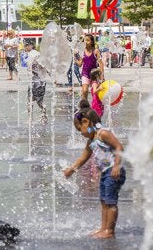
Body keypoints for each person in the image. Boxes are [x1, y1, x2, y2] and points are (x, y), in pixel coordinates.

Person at [63, 105, 126, 239]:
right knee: (104, 201)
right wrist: (71, 169)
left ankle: (110, 231)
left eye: (80, 129)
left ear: (86, 122)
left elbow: (119, 146)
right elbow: (84, 157)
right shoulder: (92, 140)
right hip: (105, 173)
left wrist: (116, 166)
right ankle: (103, 228)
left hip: (114, 172)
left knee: (111, 202)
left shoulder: (103, 133)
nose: (81, 133)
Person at [24, 41, 48, 123]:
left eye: (27, 45)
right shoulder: (28, 54)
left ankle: (44, 116)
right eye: (25, 45)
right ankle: (30, 118)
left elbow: (44, 65)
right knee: (29, 100)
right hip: (32, 81)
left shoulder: (36, 54)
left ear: (31, 45)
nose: (25, 46)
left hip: (39, 82)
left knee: (39, 101)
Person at [75, 33, 103, 100]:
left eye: (87, 40)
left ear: (92, 42)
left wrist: (101, 76)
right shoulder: (82, 51)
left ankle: (96, 107)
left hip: (94, 74)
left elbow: (101, 63)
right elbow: (80, 64)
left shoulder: (95, 51)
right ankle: (85, 107)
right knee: (84, 91)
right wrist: (75, 58)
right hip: (85, 74)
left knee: (95, 93)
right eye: (84, 40)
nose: (86, 42)